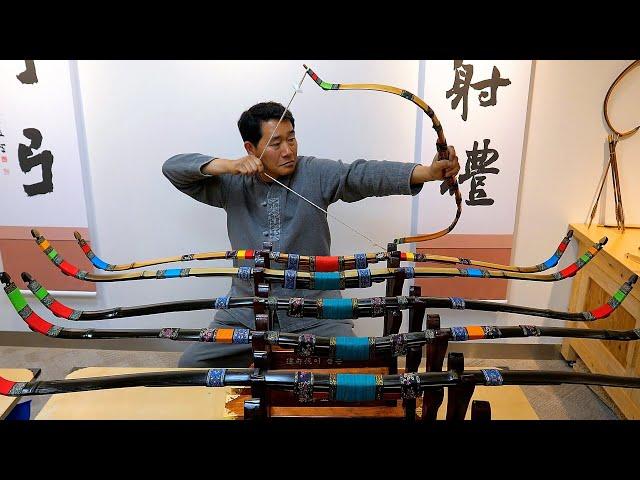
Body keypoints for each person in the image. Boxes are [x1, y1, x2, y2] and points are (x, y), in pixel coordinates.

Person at [163, 101, 460, 367]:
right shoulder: (231, 183)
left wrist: (427, 173)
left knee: (359, 363)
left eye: (291, 139)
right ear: (251, 149)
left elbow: (360, 174)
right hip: (246, 313)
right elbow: (173, 168)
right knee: (191, 364)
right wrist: (227, 166)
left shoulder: (314, 172)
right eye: (276, 143)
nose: (288, 150)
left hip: (316, 310)